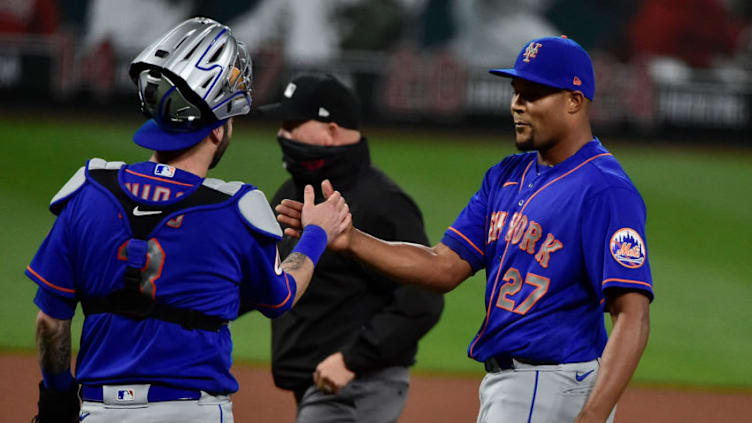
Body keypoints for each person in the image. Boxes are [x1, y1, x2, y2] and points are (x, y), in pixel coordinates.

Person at [277, 36, 653, 423]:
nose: (517, 105)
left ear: (575, 101)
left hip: (553, 385)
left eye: (533, 94)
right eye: (516, 91)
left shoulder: (604, 188)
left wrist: (592, 416)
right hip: (511, 385)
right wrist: (352, 240)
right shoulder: (507, 175)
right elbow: (444, 265)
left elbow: (632, 315)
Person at [27, 17, 349, 423]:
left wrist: (57, 400)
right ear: (218, 131)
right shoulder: (235, 209)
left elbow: (50, 321)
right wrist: (317, 234)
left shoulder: (89, 192)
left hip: (99, 409)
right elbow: (279, 297)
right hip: (192, 411)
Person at [252, 74, 444, 423]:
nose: (282, 134)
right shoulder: (292, 194)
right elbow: (263, 279)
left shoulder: (381, 203)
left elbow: (423, 298)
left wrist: (353, 358)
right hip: (320, 388)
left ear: (331, 129)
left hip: (358, 386)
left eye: (293, 123)